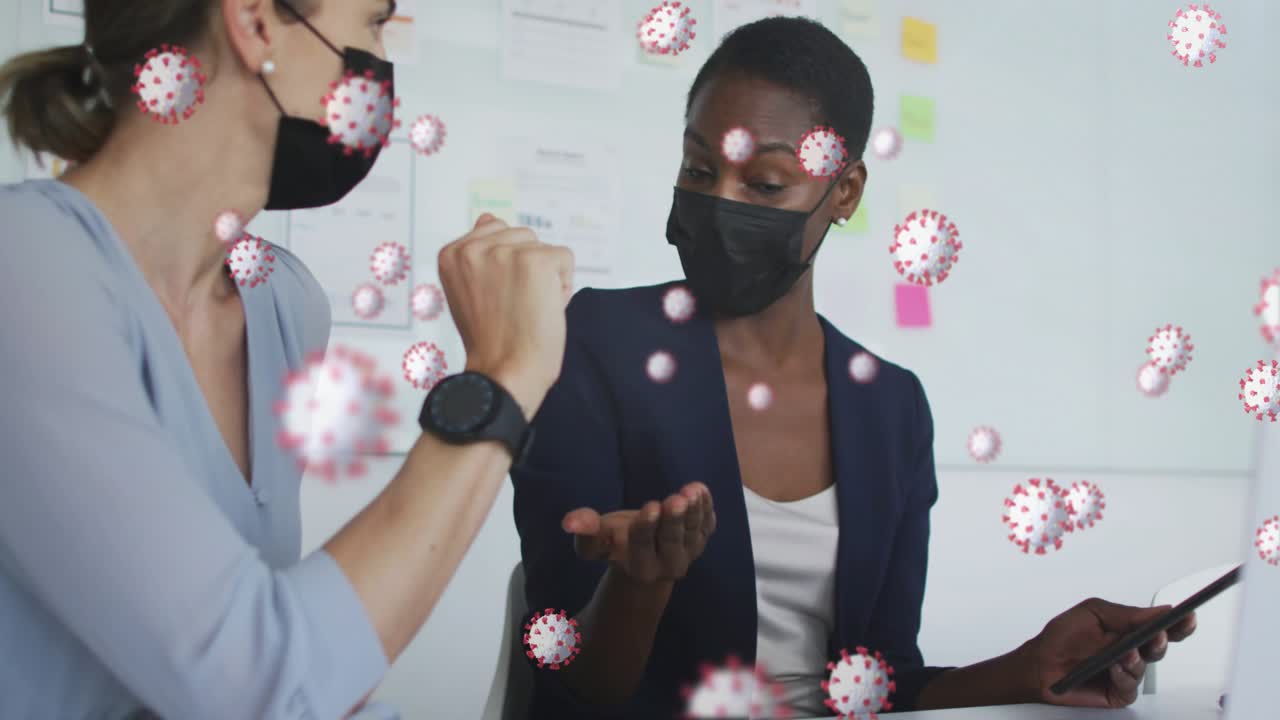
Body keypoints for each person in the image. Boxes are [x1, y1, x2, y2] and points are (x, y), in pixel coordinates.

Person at [510, 16, 1195, 719]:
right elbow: (568, 674)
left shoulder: (892, 408)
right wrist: (641, 585)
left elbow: (878, 679)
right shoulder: (594, 344)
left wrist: (1027, 670)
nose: (720, 205)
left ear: (845, 192)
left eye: (767, 183)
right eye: (699, 169)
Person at [0, 1, 572, 718]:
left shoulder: (283, 303)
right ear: (256, 22)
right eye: (371, 23)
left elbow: (299, 664)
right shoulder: (23, 267)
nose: (380, 69)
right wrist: (502, 380)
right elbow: (253, 677)